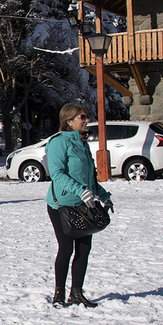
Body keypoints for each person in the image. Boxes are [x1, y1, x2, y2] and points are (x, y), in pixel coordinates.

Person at [46, 103, 113, 308]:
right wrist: (80, 191)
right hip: (62, 205)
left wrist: (104, 196)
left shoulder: (82, 143)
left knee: (84, 249)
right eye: (82, 117)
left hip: (85, 204)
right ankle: (59, 294)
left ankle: (76, 293)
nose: (86, 120)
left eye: (86, 116)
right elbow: (57, 174)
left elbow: (89, 177)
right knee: (66, 248)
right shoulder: (58, 142)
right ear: (69, 121)